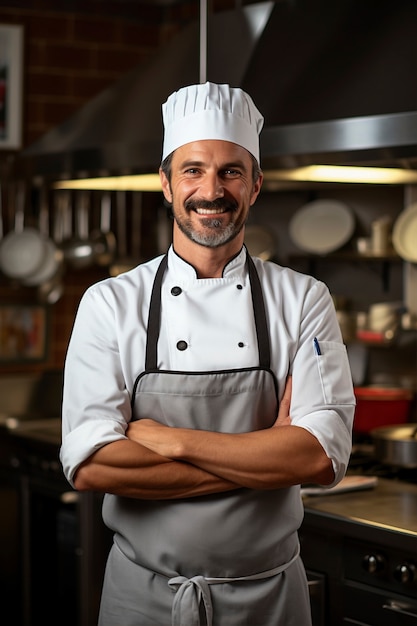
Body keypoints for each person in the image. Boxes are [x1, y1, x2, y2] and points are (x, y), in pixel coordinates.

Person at [60, 81, 355, 626]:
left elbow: (320, 457)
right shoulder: (109, 303)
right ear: (166, 184)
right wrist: (266, 456)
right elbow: (92, 463)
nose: (211, 190)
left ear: (256, 185)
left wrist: (170, 441)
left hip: (271, 600)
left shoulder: (303, 298)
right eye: (193, 170)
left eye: (231, 171)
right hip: (144, 599)